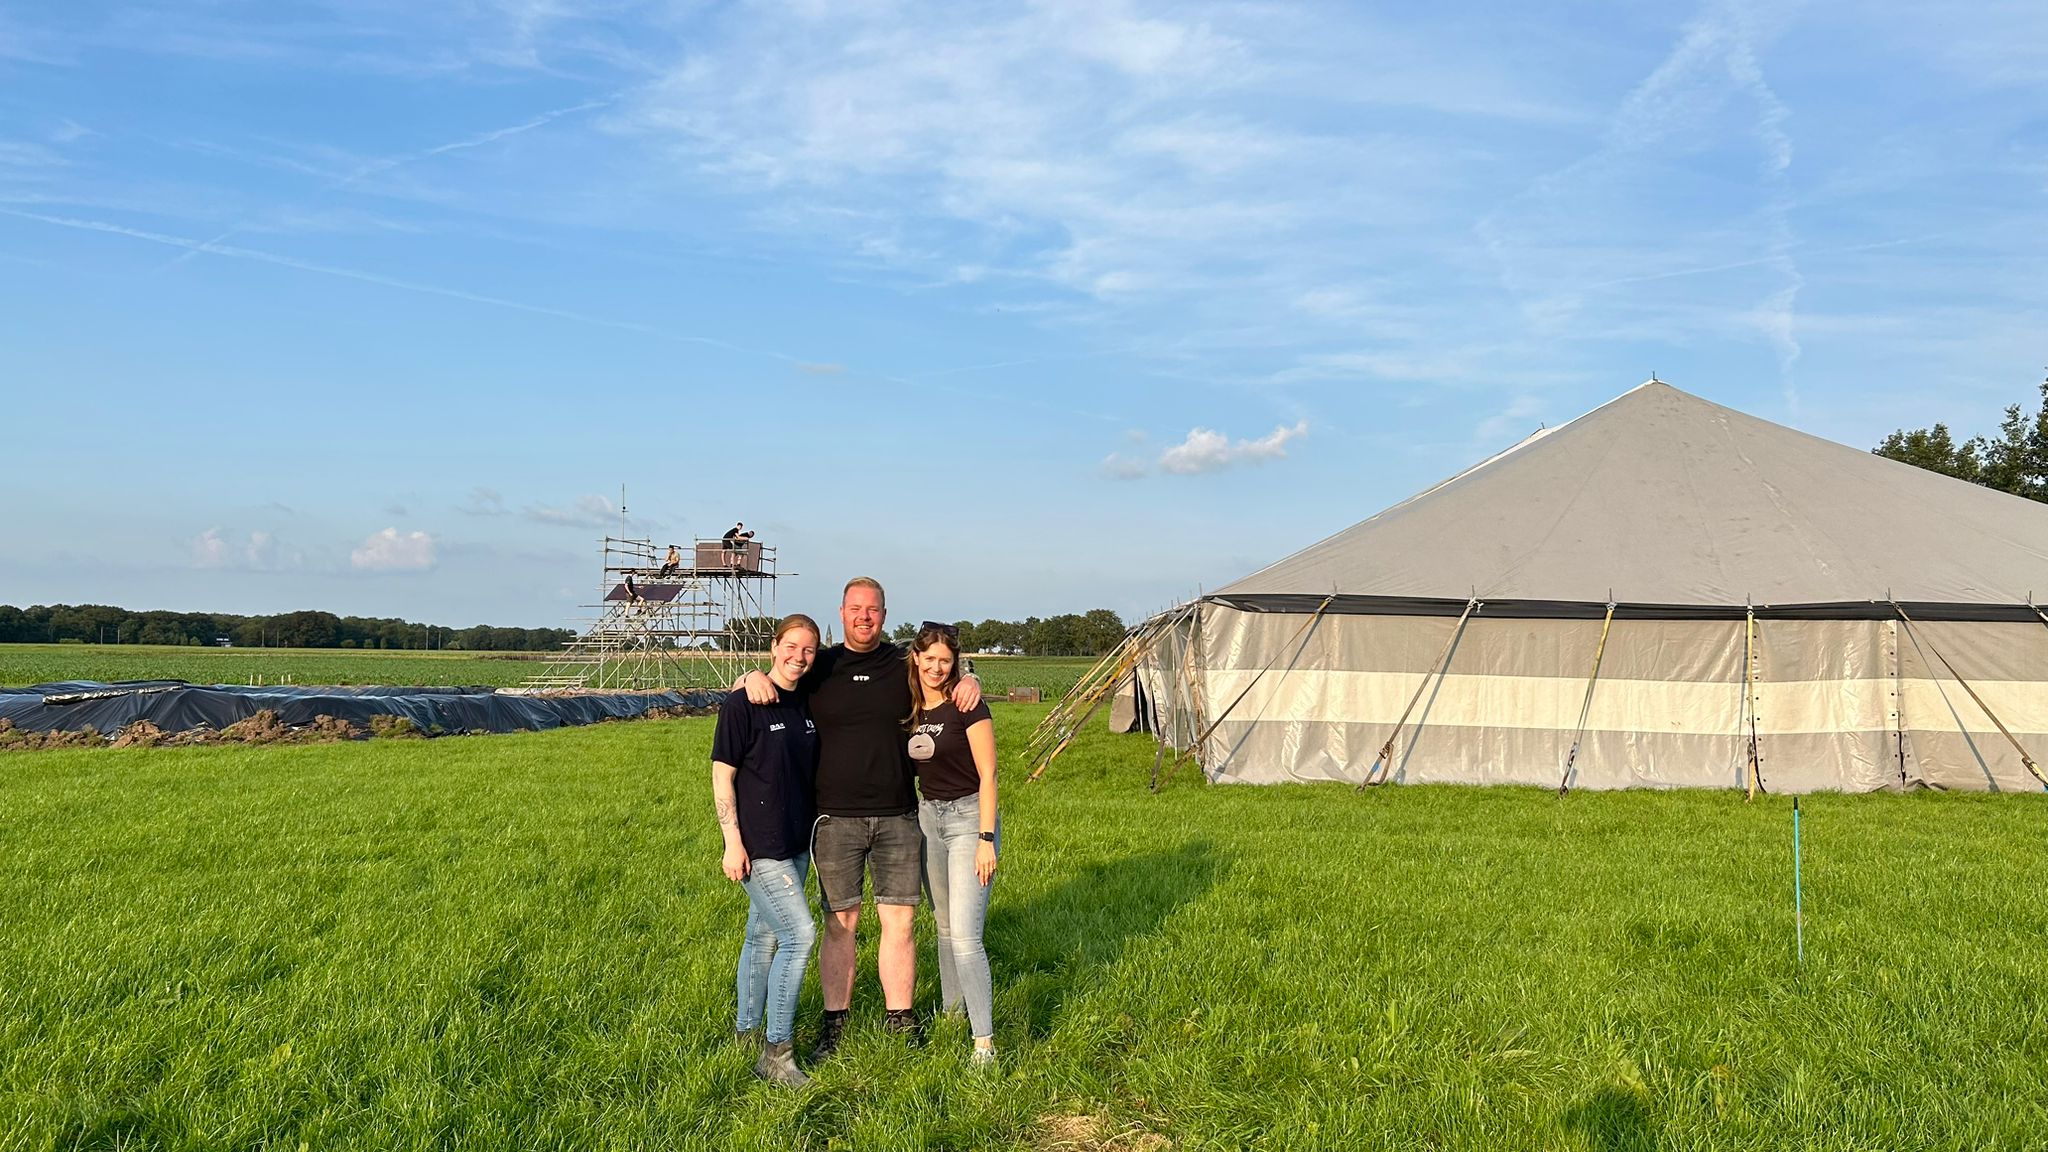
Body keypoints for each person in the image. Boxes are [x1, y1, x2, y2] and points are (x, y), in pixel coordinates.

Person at [741, 577, 980, 1061]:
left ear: (885, 615)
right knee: (840, 922)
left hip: (898, 815)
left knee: (901, 922)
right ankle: (835, 1023)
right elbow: (781, 675)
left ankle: (900, 1018)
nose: (864, 617)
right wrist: (751, 677)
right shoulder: (821, 665)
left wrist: (971, 677)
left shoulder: (902, 664)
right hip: (834, 820)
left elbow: (944, 670)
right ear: (843, 612)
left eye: (873, 609)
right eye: (855, 609)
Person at [712, 613, 823, 1087]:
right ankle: (777, 1053)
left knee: (761, 939)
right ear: (774, 646)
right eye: (791, 647)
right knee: (800, 937)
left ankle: (745, 1033)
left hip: (798, 843)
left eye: (809, 650)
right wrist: (731, 843)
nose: (799, 657)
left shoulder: (809, 702)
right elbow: (723, 776)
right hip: (760, 848)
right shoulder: (743, 704)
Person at [905, 621, 1000, 1066]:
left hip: (968, 819)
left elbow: (988, 775)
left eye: (946, 660)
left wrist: (986, 838)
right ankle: (950, 1013)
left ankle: (984, 1041)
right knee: (943, 928)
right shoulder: (908, 706)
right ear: (917, 658)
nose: (937, 668)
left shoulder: (968, 703)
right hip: (929, 820)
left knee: (965, 936)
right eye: (930, 659)